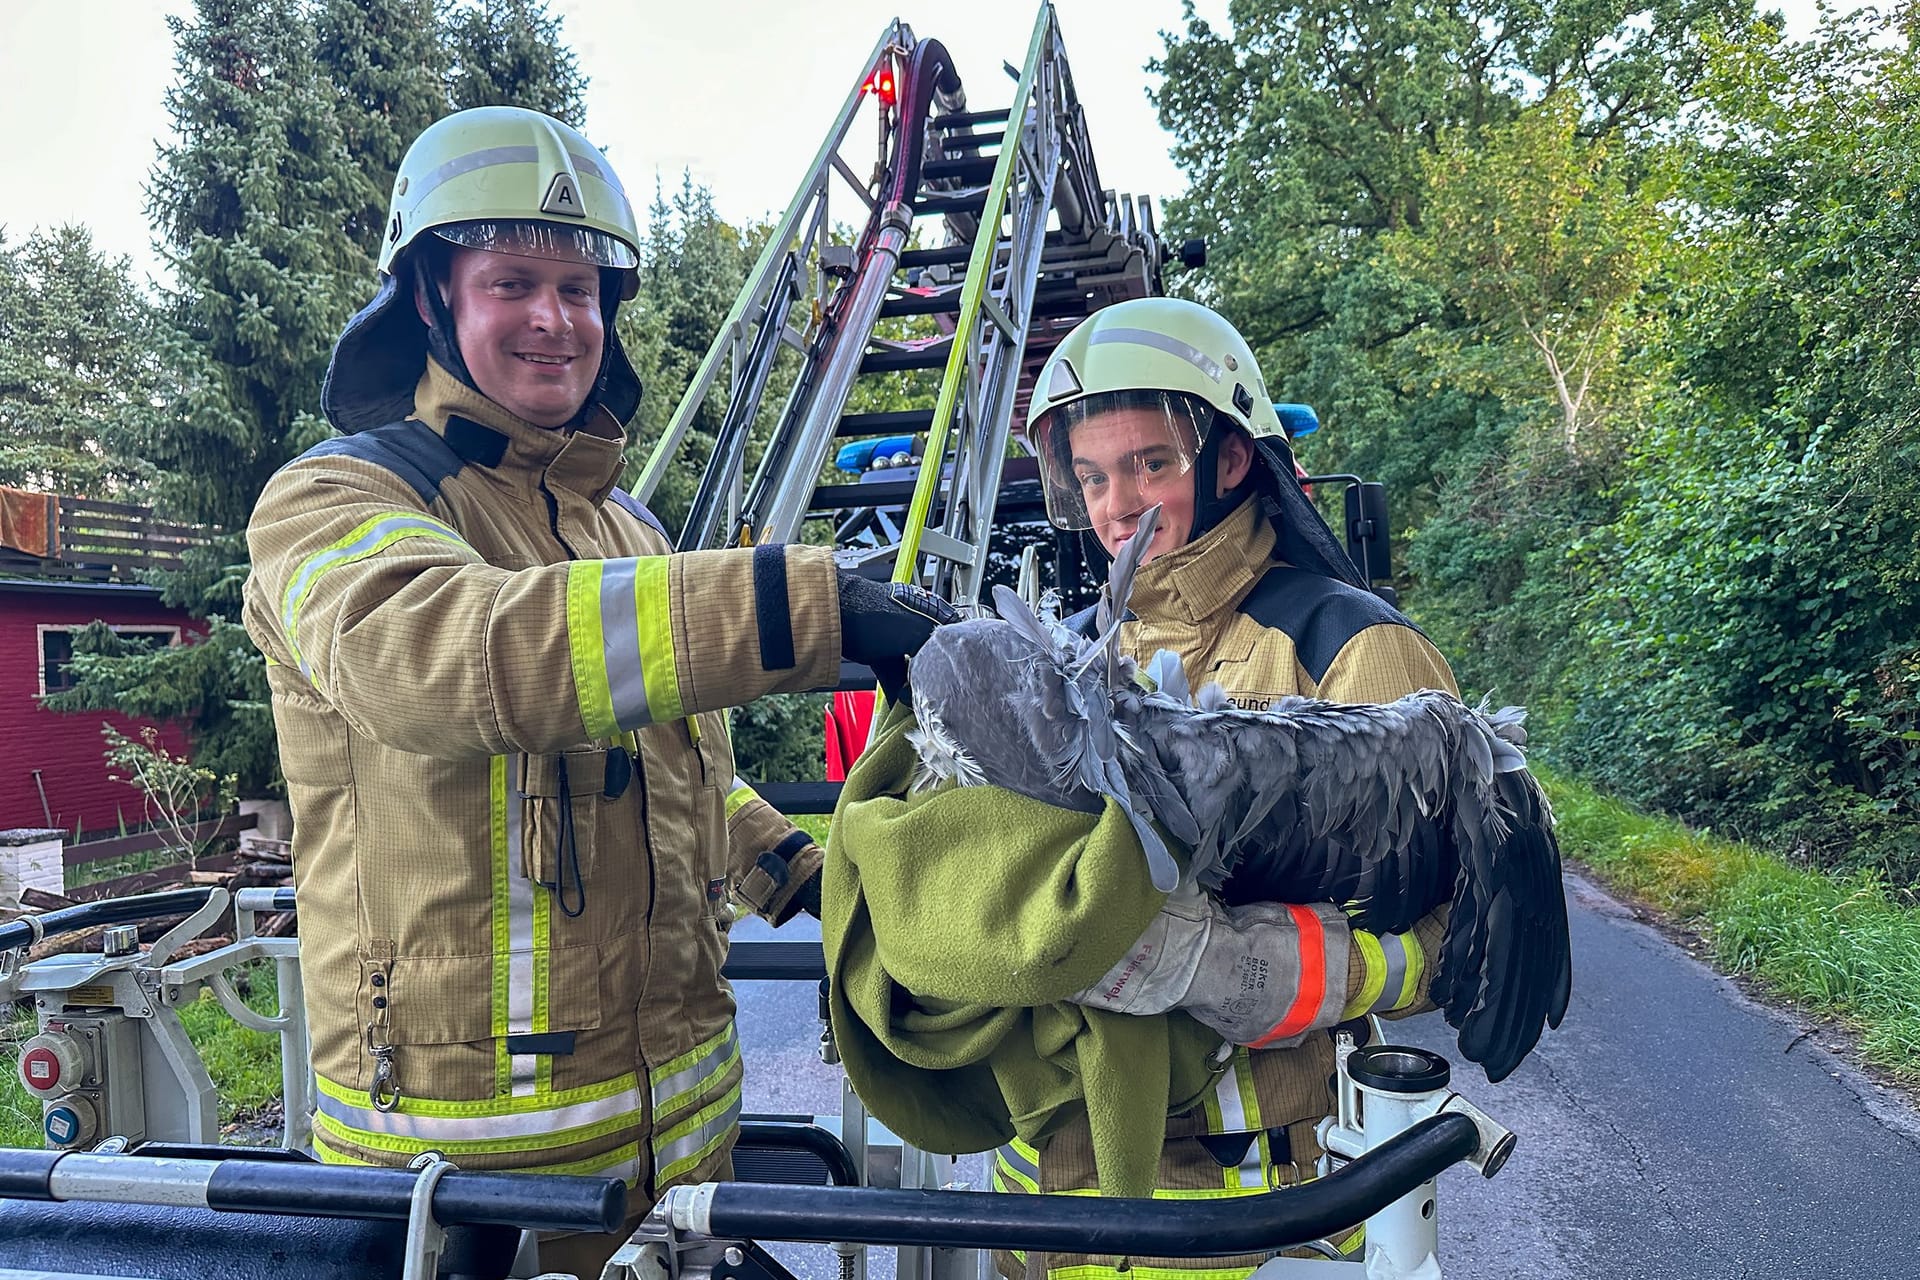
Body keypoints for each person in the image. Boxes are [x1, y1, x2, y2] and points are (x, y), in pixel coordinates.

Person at [241, 105, 951, 1275]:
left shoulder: (625, 526)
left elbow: (680, 776)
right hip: (460, 1200)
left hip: (685, 1170)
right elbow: (452, 656)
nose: (554, 319)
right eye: (513, 280)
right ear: (429, 297)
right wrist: (810, 606)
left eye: (579, 287)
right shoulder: (334, 501)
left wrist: (814, 884)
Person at [993, 296, 1461, 1276]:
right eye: (1091, 474)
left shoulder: (1355, 646)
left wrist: (1265, 968)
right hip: (1042, 1191)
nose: (1117, 503)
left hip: (1249, 1212)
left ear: (1231, 459)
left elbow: (1452, 935)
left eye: (1149, 464)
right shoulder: (1058, 655)